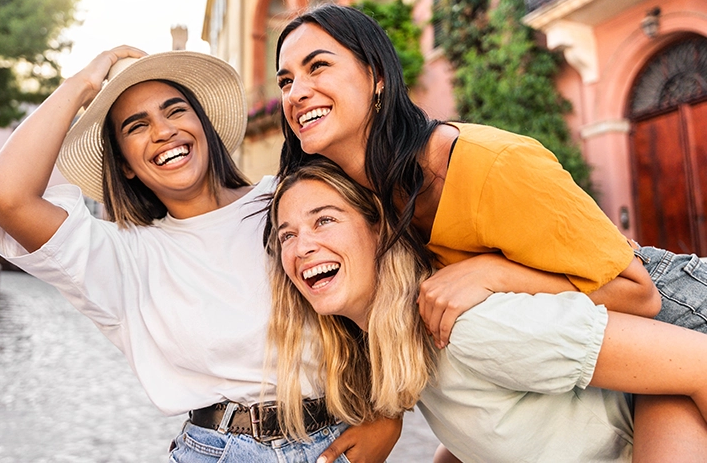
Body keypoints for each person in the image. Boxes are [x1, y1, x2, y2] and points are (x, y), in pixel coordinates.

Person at [273, 3, 707, 459]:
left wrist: (492, 273)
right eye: (285, 81)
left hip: (678, 314)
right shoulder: (367, 197)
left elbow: (638, 294)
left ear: (376, 74)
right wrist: (391, 413)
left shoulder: (488, 164)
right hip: (609, 357)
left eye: (317, 65)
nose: (297, 92)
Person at [0, 46, 401, 462]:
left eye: (175, 110)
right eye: (136, 126)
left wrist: (390, 412)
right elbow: (4, 196)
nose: (163, 131)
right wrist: (83, 84)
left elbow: (391, 285)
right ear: (124, 163)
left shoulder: (291, 202)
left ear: (204, 125)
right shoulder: (122, 257)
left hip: (337, 439)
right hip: (221, 451)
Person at [266, 158, 707, 462]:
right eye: (287, 235)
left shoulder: (467, 328)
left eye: (324, 220)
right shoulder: (405, 343)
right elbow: (493, 421)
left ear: (380, 231)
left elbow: (697, 363)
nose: (302, 246)